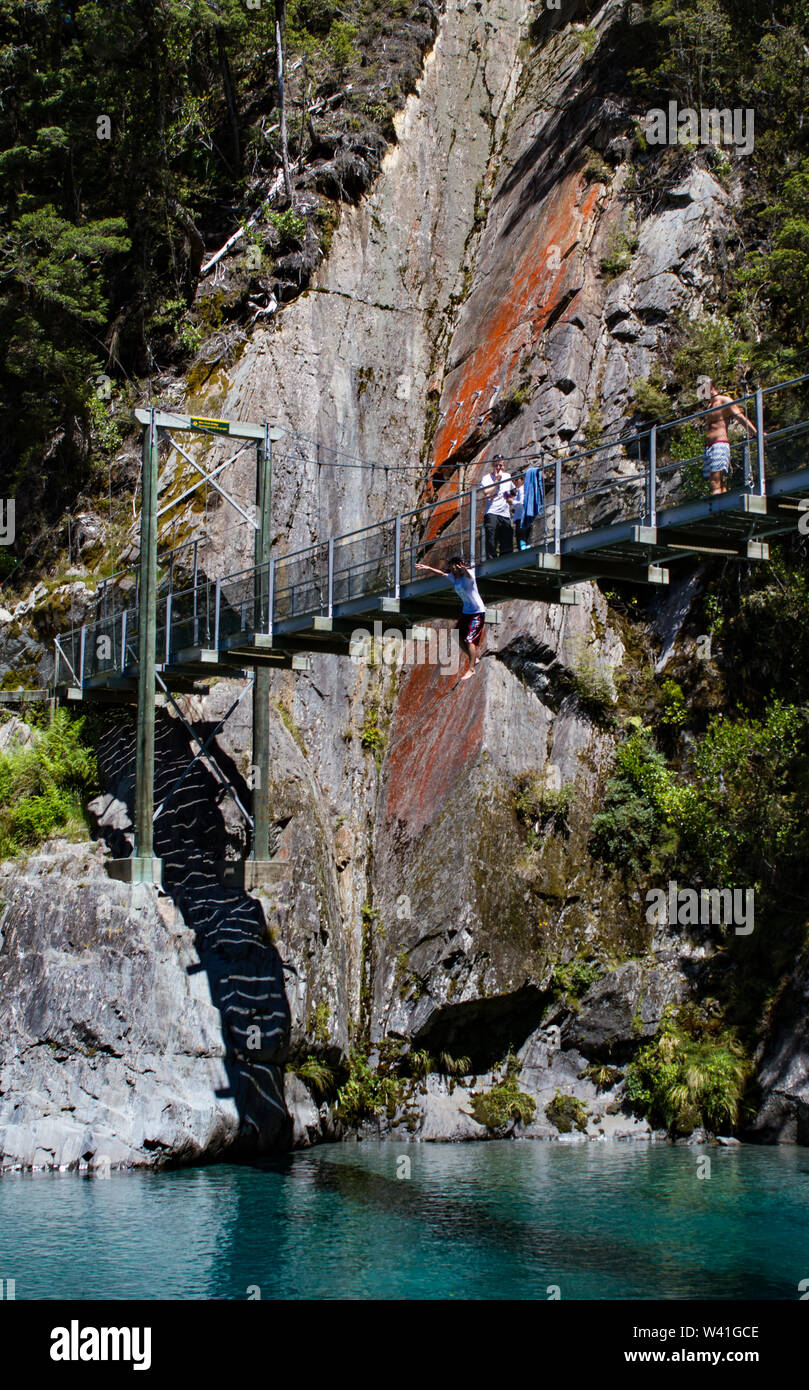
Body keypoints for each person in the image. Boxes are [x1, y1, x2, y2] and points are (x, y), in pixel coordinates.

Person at [415, 555, 485, 681]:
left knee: (469, 640)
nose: (452, 569)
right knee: (456, 635)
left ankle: (471, 669)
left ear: (460, 566)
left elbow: (468, 574)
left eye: (454, 567)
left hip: (477, 613)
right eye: (451, 567)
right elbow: (442, 574)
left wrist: (464, 569)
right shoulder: (454, 579)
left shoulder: (469, 575)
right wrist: (427, 568)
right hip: (467, 612)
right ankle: (474, 657)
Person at [699, 377, 761, 496]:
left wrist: (756, 433)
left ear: (710, 387)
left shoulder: (725, 401)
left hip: (719, 444)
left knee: (716, 480)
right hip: (709, 447)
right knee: (716, 481)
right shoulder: (709, 406)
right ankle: (722, 503)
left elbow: (740, 417)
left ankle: (717, 508)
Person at [480, 454, 514, 557]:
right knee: (491, 539)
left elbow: (510, 492)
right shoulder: (486, 478)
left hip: (504, 513)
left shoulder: (507, 476)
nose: (498, 468)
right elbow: (487, 493)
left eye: (500, 465)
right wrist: (497, 482)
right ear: (492, 465)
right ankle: (491, 559)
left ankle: (506, 559)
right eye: (496, 465)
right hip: (492, 512)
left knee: (507, 538)